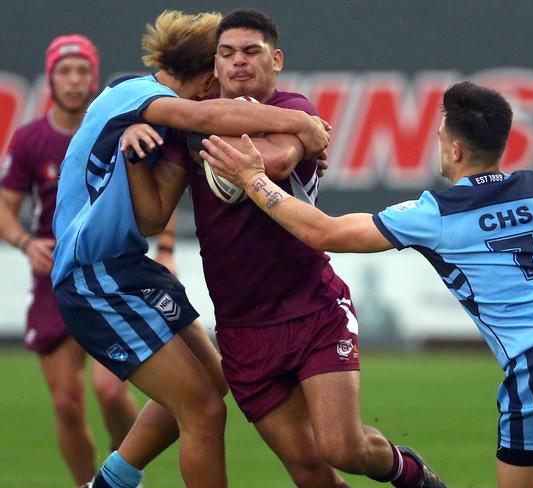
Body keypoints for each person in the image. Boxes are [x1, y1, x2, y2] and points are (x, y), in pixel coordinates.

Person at [201, 80, 533, 488]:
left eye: (438, 140)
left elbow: (325, 234)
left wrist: (253, 180)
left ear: (455, 150)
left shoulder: (437, 212)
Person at [125, 8, 445, 488]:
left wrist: (214, 139)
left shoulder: (294, 108)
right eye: (226, 54)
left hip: (312, 308)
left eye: (251, 52)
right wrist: (133, 145)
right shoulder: (189, 124)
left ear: (275, 60)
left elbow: (271, 162)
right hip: (242, 328)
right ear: (213, 65)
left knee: (342, 447)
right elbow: (151, 216)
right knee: (310, 471)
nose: (238, 63)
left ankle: (410, 473)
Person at [49, 11, 329, 488]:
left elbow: (154, 218)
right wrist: (305, 123)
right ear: (204, 77)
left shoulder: (149, 114)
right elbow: (205, 115)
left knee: (213, 378)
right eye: (216, 77)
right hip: (92, 275)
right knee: (202, 411)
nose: (220, 91)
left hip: (129, 267)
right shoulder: (139, 96)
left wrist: (135, 160)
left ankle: (111, 480)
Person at [0, 35, 141, 486]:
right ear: (51, 78)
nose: (75, 80)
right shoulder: (29, 139)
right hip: (53, 281)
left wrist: (162, 250)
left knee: (111, 391)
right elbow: (5, 206)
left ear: (95, 77)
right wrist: (25, 242)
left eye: (83, 71)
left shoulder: (115, 127)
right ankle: (88, 484)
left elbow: (156, 188)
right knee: (66, 402)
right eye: (65, 71)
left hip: (107, 272)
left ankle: (124, 476)